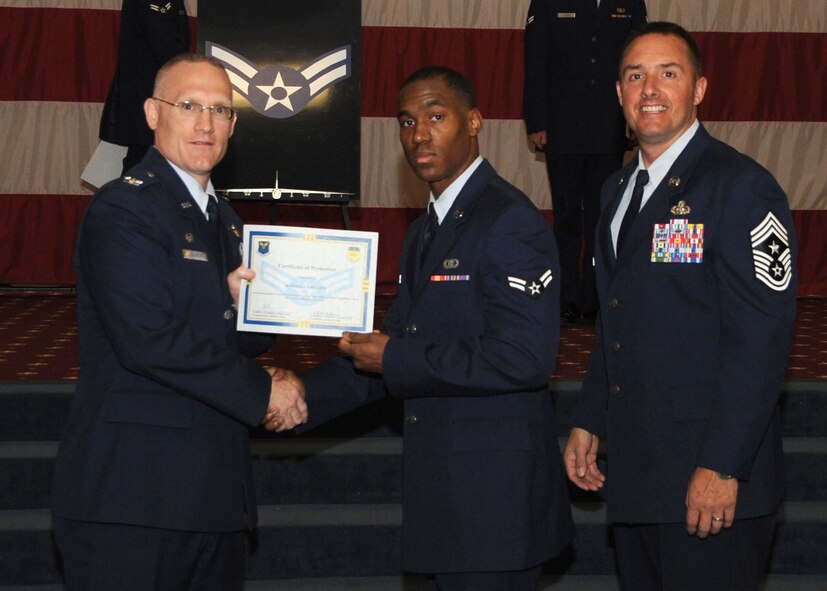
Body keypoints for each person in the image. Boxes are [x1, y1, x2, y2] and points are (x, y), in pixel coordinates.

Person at [287, 66, 574, 590]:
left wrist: (393, 357)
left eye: (436, 116)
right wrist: (293, 395)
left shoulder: (508, 218)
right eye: (406, 121)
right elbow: (396, 346)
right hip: (447, 503)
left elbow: (524, 357)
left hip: (494, 511)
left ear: (474, 122)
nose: (418, 133)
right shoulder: (425, 230)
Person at [51, 53, 307, 591]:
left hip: (211, 499)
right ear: (151, 113)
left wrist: (256, 307)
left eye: (221, 110)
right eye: (189, 106)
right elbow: (150, 341)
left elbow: (232, 335)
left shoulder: (227, 221)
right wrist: (265, 392)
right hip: (133, 501)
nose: (206, 124)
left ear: (234, 125)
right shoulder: (124, 210)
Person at [564, 22, 797, 591]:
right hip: (639, 479)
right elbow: (617, 319)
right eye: (635, 76)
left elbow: (762, 340)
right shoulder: (616, 193)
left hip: (712, 482)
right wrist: (591, 416)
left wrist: (722, 464)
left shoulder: (741, 186)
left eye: (669, 74)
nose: (650, 89)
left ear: (698, 89)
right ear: (618, 93)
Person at [524, 0, 647, 324]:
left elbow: (637, 65)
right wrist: (537, 121)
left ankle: (593, 299)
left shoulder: (629, 3)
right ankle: (563, 298)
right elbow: (536, 58)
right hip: (562, 128)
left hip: (608, 127)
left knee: (602, 218)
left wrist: (634, 121)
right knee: (566, 219)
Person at [100, 0, 191, 174]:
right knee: (144, 164)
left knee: (148, 162)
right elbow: (167, 45)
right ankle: (128, 201)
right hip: (151, 95)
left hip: (154, 94)